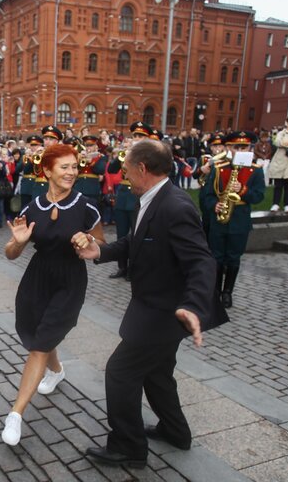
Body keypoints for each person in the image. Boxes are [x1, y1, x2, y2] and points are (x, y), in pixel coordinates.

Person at [72, 139, 228, 468]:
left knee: (120, 372)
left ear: (142, 168)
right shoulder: (154, 197)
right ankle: (175, 431)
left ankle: (128, 447)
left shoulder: (176, 206)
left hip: (164, 313)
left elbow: (202, 262)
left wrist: (194, 306)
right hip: (155, 308)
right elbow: (136, 241)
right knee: (157, 374)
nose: (124, 175)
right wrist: (99, 251)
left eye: (127, 169)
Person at [1, 143, 104, 446]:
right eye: (65, 167)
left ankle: (16, 414)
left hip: (70, 280)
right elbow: (10, 253)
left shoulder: (87, 206)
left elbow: (100, 243)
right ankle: (56, 371)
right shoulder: (32, 207)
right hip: (37, 277)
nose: (73, 172)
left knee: (40, 345)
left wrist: (87, 240)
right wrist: (18, 241)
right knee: (37, 335)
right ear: (47, 170)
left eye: (75, 166)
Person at [202, 131, 266, 308]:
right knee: (216, 257)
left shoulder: (255, 171)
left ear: (249, 148)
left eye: (244, 147)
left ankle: (227, 292)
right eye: (236, 147)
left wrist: (243, 190)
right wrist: (214, 205)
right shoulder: (219, 168)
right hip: (219, 219)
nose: (240, 150)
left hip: (239, 220)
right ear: (229, 148)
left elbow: (259, 196)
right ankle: (214, 291)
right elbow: (207, 195)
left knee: (233, 258)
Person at [105, 122, 153, 279]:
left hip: (139, 196)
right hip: (124, 196)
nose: (137, 139)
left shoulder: (151, 155)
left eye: (141, 136)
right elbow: (112, 170)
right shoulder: (126, 153)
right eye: (135, 136)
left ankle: (134, 268)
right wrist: (121, 156)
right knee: (121, 233)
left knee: (137, 234)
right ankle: (122, 267)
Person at [30, 125, 63, 199]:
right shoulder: (40, 152)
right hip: (39, 187)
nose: (47, 142)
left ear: (57, 141)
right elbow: (35, 171)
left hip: (54, 187)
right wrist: (35, 154)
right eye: (46, 139)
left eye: (51, 139)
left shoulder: (60, 155)